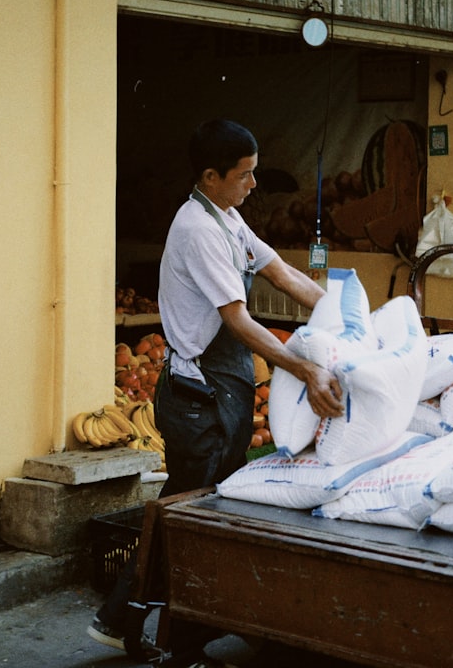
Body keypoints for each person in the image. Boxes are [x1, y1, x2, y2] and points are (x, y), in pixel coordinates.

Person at [88, 119, 344, 668]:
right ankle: (177, 641)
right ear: (210, 176)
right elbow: (240, 322)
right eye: (246, 175)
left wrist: (342, 316)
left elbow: (281, 273)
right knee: (190, 520)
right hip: (196, 398)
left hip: (220, 392)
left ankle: (124, 620)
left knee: (184, 514)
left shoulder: (226, 218)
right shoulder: (196, 230)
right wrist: (305, 370)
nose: (255, 185)